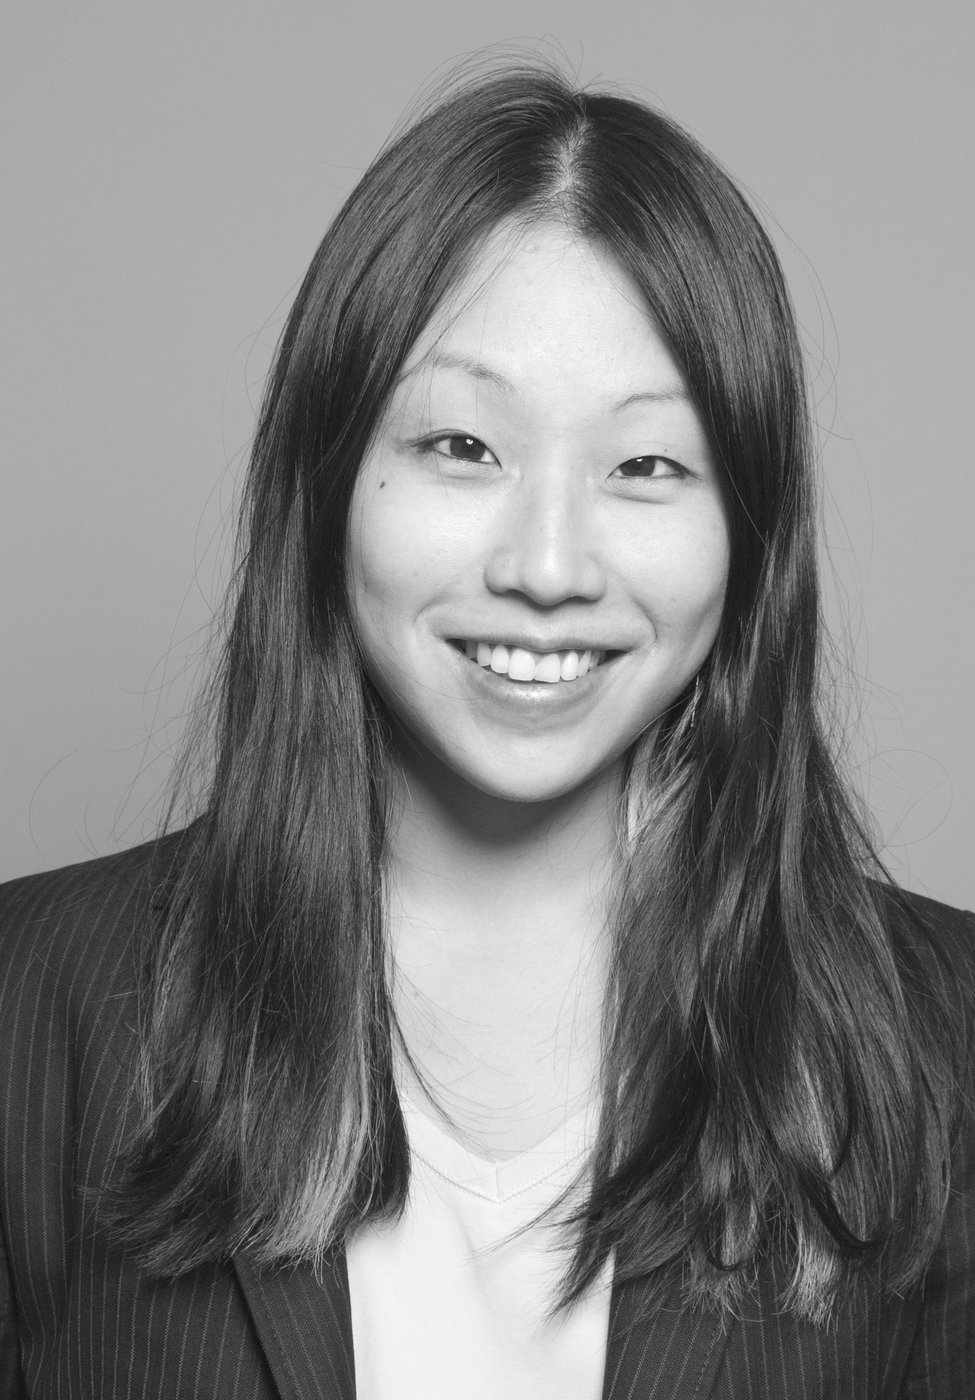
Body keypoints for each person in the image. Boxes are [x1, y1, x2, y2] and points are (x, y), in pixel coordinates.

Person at [1, 63, 972, 1400]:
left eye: (646, 465)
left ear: (747, 540)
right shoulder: (30, 1007)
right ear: (327, 483)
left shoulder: (948, 1042)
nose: (549, 562)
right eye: (465, 446)